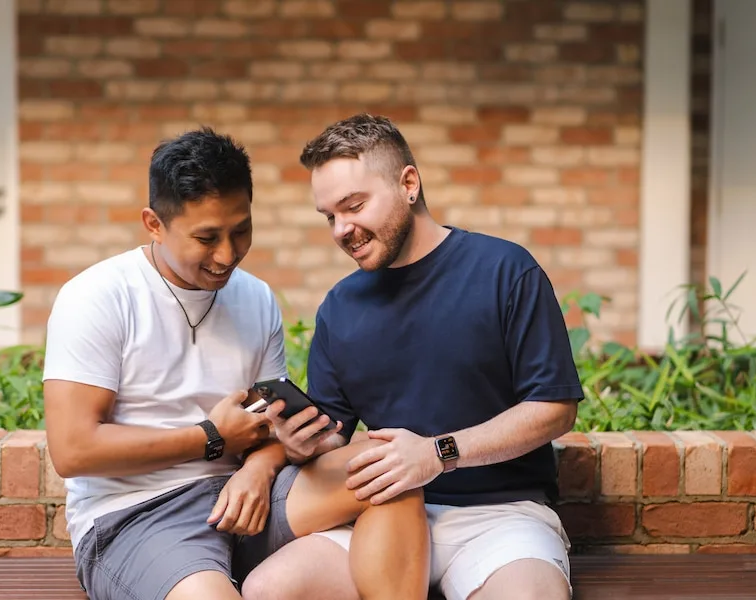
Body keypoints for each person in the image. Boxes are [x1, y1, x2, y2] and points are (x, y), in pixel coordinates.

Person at [42, 126, 429, 600]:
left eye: (240, 230)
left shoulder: (255, 298)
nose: (227, 255)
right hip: (137, 514)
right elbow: (74, 449)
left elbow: (266, 425)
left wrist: (259, 468)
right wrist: (211, 439)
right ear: (154, 224)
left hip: (248, 497)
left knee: (386, 469)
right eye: (206, 238)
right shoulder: (97, 297)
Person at [243, 114, 584, 600]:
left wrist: (437, 454)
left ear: (408, 183)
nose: (342, 229)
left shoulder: (505, 271)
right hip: (383, 512)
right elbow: (333, 437)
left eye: (354, 206)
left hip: (500, 517)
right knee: (268, 591)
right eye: (329, 216)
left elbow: (555, 409)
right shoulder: (340, 307)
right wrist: (301, 444)